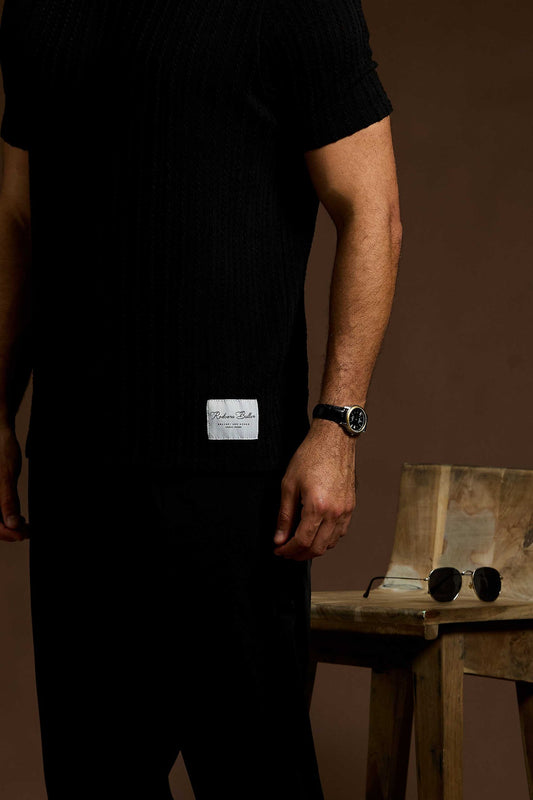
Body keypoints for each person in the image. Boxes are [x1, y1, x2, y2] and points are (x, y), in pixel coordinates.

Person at [0, 0, 401, 797]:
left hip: (234, 481)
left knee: (256, 775)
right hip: (77, 470)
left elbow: (372, 211)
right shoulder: (39, 8)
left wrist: (337, 424)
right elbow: (18, 218)